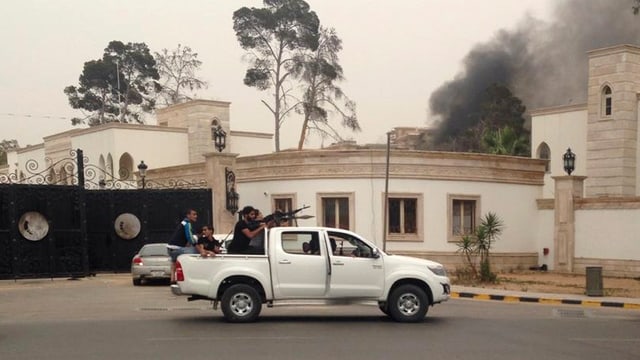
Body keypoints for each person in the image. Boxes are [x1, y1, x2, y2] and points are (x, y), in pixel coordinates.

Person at [167, 208, 198, 283]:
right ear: (188, 215)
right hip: (176, 248)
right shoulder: (187, 223)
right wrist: (195, 243)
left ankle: (173, 278)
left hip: (170, 248)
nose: (196, 216)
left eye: (196, 214)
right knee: (196, 251)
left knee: (174, 261)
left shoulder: (182, 223)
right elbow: (189, 237)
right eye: (194, 214)